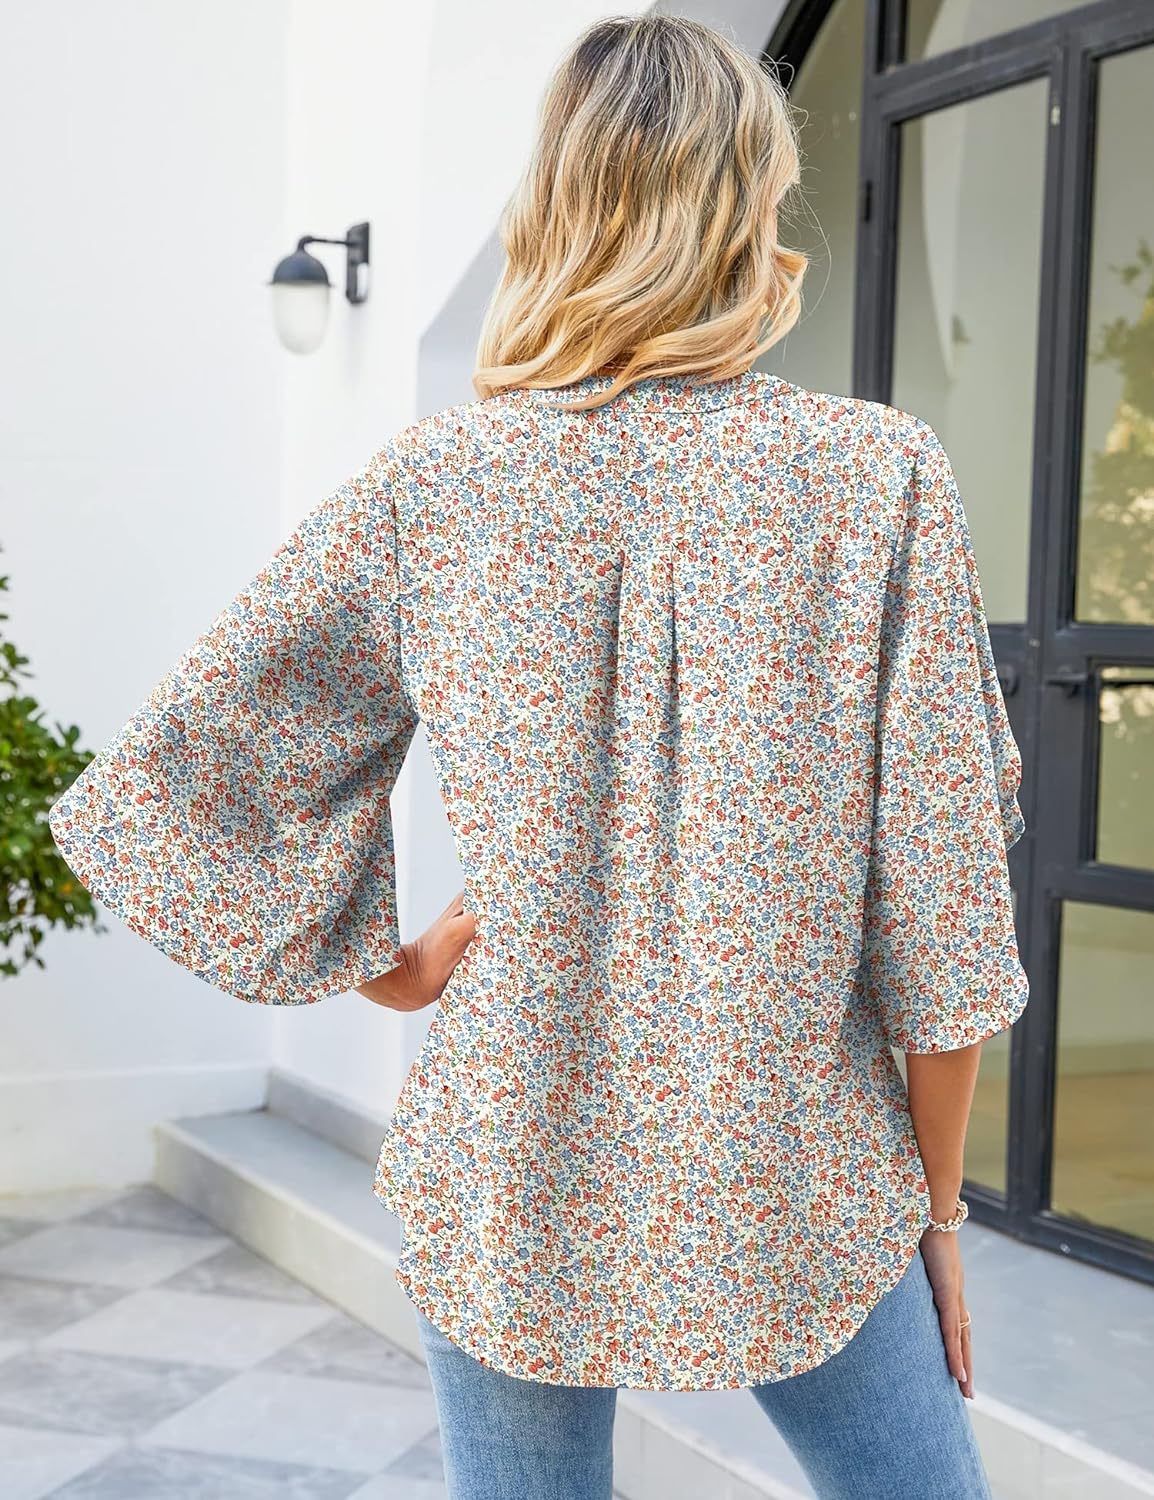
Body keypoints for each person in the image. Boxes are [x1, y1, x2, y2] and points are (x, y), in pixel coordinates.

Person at [46, 13, 1029, 1500]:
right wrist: (938, 1212)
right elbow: (943, 913)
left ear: (558, 204)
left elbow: (198, 775)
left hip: (513, 1152)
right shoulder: (876, 476)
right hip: (796, 1159)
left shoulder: (438, 483)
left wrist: (385, 964)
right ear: (745, 204)